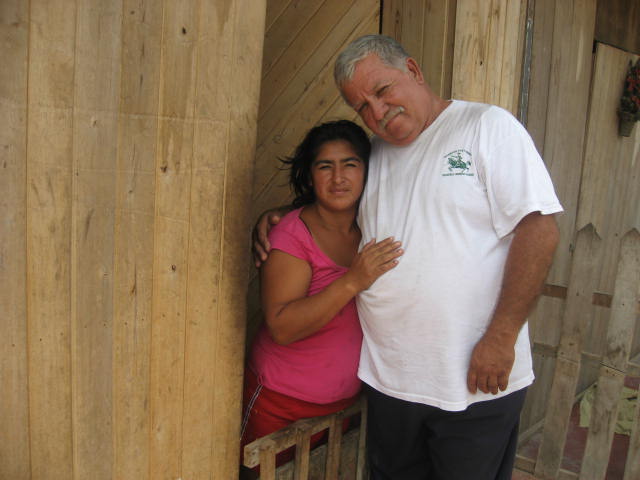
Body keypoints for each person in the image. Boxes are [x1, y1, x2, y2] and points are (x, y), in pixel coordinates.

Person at [253, 35, 563, 479]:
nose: (377, 112)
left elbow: (538, 229)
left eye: (383, 91)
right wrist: (278, 215)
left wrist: (501, 337)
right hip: (391, 382)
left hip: (472, 382)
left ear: (414, 71)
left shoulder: (486, 127)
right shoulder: (375, 155)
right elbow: (334, 203)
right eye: (362, 107)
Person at [241, 120, 403, 471]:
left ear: (367, 171)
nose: (338, 178)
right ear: (310, 175)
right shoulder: (291, 234)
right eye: (325, 166)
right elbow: (282, 327)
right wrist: (351, 281)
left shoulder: (373, 224)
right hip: (281, 404)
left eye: (350, 164)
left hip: (344, 407)